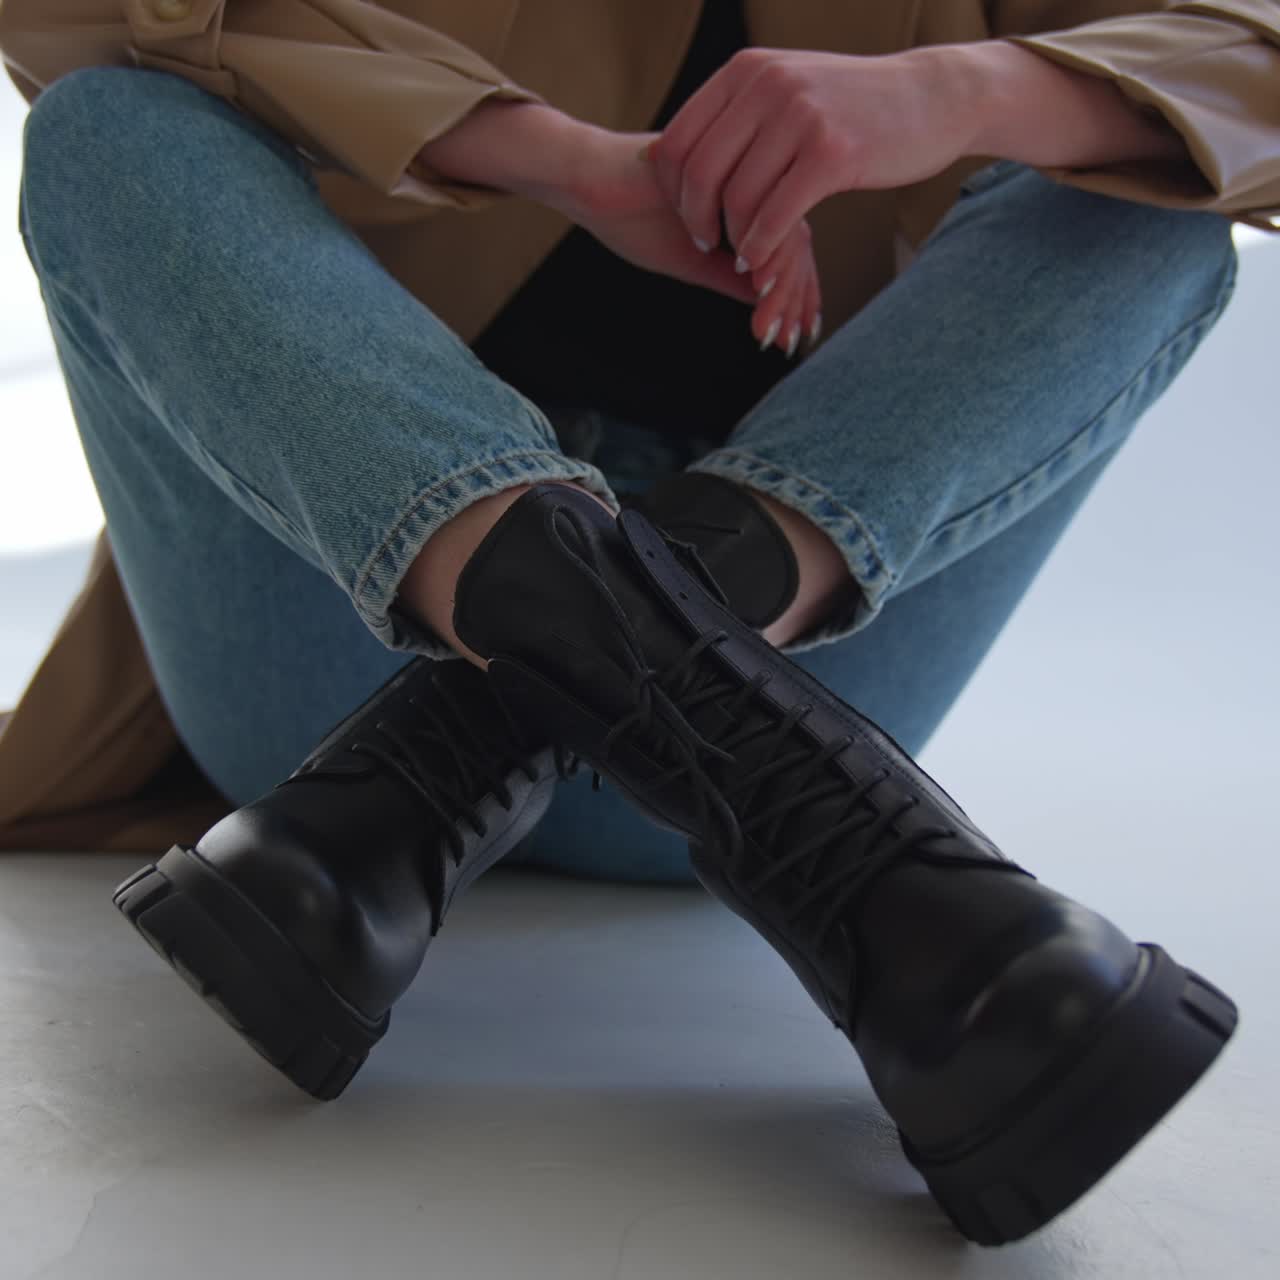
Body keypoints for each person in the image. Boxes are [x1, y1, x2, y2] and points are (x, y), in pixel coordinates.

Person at [1, 0, 1276, 1246]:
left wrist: (958, 90)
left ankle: (412, 789)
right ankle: (871, 881)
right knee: (106, 128)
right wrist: (556, 158)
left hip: (715, 684)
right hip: (340, 623)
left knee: (1146, 202)